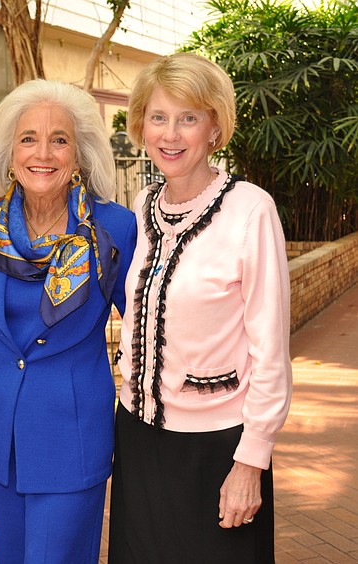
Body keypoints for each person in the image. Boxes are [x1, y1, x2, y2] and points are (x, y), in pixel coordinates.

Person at [108, 52, 293, 563]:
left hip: (219, 447)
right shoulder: (140, 209)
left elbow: (271, 349)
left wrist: (251, 462)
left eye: (189, 117)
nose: (171, 133)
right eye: (159, 116)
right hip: (140, 437)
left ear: (214, 128)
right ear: (141, 125)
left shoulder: (250, 210)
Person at [0, 79, 137, 563]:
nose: (43, 152)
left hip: (72, 433)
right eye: (28, 138)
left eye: (60, 139)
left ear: (78, 155)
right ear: (10, 151)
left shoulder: (112, 227)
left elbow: (145, 320)